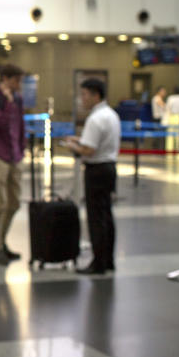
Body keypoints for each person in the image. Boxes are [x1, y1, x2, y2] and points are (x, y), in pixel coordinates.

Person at [63, 78, 120, 275]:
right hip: (109, 167)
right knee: (106, 216)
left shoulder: (95, 119)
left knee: (96, 218)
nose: (82, 99)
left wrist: (73, 147)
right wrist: (80, 139)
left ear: (96, 95)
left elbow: (88, 150)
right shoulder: (110, 115)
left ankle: (98, 263)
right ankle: (108, 259)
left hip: (96, 171)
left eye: (85, 95)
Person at [0, 64, 25, 264]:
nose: (19, 84)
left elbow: (20, 125)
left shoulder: (18, 98)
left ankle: (2, 240)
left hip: (14, 156)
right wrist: (8, 103)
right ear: (5, 79)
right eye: (16, 80)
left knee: (14, 202)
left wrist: (22, 150)